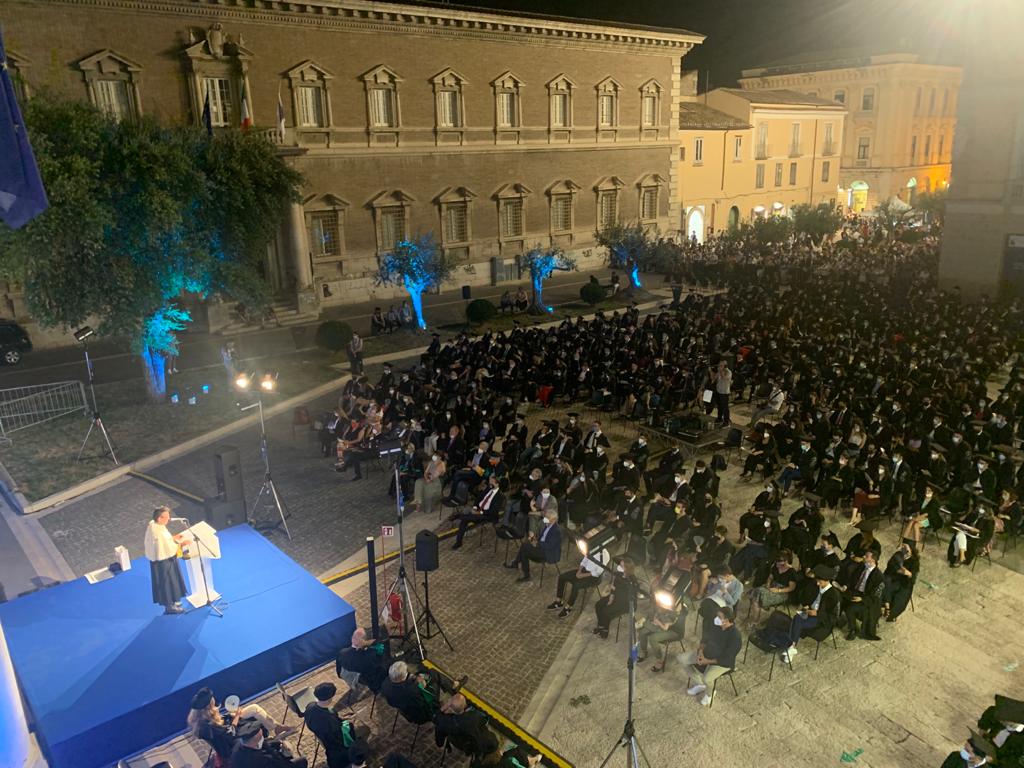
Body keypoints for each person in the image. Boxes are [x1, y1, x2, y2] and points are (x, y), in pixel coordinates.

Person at [186, 687, 294, 767]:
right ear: (208, 706)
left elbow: (221, 726)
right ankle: (272, 732)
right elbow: (229, 733)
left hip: (228, 728)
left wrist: (229, 716)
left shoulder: (199, 720)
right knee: (252, 717)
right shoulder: (208, 728)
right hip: (232, 744)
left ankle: (276, 727)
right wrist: (236, 716)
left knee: (254, 709)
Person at [677, 605, 741, 706]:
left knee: (707, 678)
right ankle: (700, 684)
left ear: (727, 620)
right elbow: (705, 639)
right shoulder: (715, 626)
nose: (716, 619)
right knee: (682, 659)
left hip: (721, 663)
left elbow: (727, 657)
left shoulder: (735, 636)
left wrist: (706, 661)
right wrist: (701, 652)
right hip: (706, 653)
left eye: (719, 617)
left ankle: (709, 694)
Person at [780, 564, 841, 663]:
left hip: (821, 619)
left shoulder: (834, 595)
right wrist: (807, 605)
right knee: (797, 618)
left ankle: (791, 647)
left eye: (819, 581)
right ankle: (792, 647)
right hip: (810, 612)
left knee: (797, 620)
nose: (817, 583)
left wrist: (817, 613)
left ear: (826, 580)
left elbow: (834, 617)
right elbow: (807, 598)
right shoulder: (815, 585)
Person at [145, 506, 187, 615]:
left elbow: (165, 542)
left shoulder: (154, 525)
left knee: (170, 582)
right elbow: (168, 548)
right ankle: (170, 607)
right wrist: (182, 544)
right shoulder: (159, 533)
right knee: (167, 583)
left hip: (160, 561)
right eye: (166, 517)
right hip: (164, 563)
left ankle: (172, 601)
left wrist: (173, 538)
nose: (169, 519)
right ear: (159, 518)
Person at [548, 546, 608, 619]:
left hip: (593, 577)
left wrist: (582, 575)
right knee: (562, 577)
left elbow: (597, 573)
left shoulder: (605, 555)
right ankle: (559, 601)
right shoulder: (592, 547)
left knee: (576, 586)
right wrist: (579, 571)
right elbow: (584, 560)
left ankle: (569, 607)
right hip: (584, 571)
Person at [432, 693, 498, 758]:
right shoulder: (475, 716)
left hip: (456, 742)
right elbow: (485, 720)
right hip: (471, 745)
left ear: (450, 708)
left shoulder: (444, 723)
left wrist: (442, 709)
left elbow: (439, 742)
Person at [840, 549, 884, 641]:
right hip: (855, 591)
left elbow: (875, 595)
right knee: (839, 597)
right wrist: (846, 585)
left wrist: (862, 599)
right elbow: (852, 578)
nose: (863, 557)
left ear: (873, 560)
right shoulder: (862, 566)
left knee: (850, 609)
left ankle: (853, 629)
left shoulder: (878, 576)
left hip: (866, 598)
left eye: (866, 556)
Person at [506, 509, 561, 583]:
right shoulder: (547, 525)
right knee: (525, 547)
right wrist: (533, 537)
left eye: (547, 517)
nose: (545, 518)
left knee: (525, 548)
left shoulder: (556, 531)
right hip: (542, 548)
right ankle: (521, 569)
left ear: (553, 520)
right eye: (545, 516)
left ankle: (523, 571)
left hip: (548, 553)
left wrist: (536, 543)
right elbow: (541, 538)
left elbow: (549, 546)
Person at [451, 474, 505, 549]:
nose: (490, 484)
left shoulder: (500, 496)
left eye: (492, 482)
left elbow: (493, 511)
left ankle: (459, 516)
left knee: (465, 518)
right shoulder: (488, 489)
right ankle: (459, 542)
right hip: (478, 510)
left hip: (487, 515)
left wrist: (480, 512)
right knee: (465, 520)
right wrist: (475, 507)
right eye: (490, 481)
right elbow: (479, 497)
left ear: (497, 483)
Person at [230, 718, 307, 768]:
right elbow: (281, 765)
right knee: (302, 761)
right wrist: (288, 754)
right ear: (256, 740)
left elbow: (264, 744)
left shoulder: (239, 744)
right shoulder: (263, 759)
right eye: (261, 737)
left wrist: (277, 742)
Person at [637, 597, 687, 673]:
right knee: (642, 632)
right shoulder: (668, 601)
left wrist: (676, 610)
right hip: (660, 625)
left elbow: (669, 623)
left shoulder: (681, 609)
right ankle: (644, 651)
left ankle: (659, 660)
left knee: (653, 638)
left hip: (674, 631)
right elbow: (656, 612)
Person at [593, 557, 637, 640]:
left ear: (627, 568)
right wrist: (611, 597)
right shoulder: (619, 574)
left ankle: (605, 629)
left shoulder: (632, 580)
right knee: (598, 605)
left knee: (606, 611)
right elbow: (613, 587)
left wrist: (612, 598)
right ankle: (601, 625)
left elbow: (626, 596)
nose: (619, 566)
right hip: (615, 596)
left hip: (625, 602)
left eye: (622, 565)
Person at [336, 627, 390, 693]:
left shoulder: (342, 653)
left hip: (356, 677)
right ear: (363, 641)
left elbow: (339, 671)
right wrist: (374, 642)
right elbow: (381, 650)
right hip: (371, 680)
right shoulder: (370, 656)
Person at [881, 542, 918, 623]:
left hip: (904, 582)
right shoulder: (898, 555)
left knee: (900, 597)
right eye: (903, 546)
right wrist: (899, 568)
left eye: (906, 548)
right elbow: (891, 567)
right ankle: (886, 605)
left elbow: (912, 578)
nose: (904, 549)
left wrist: (909, 574)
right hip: (892, 577)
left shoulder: (914, 561)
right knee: (887, 584)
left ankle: (890, 612)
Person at [710, 359, 732, 426]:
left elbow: (724, 378)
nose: (719, 367)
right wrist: (711, 372)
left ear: (725, 366)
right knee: (719, 406)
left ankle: (726, 421)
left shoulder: (728, 372)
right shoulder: (719, 371)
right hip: (718, 391)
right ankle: (719, 418)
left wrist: (721, 371)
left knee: (725, 407)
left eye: (721, 365)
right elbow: (713, 380)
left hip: (724, 392)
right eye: (719, 365)